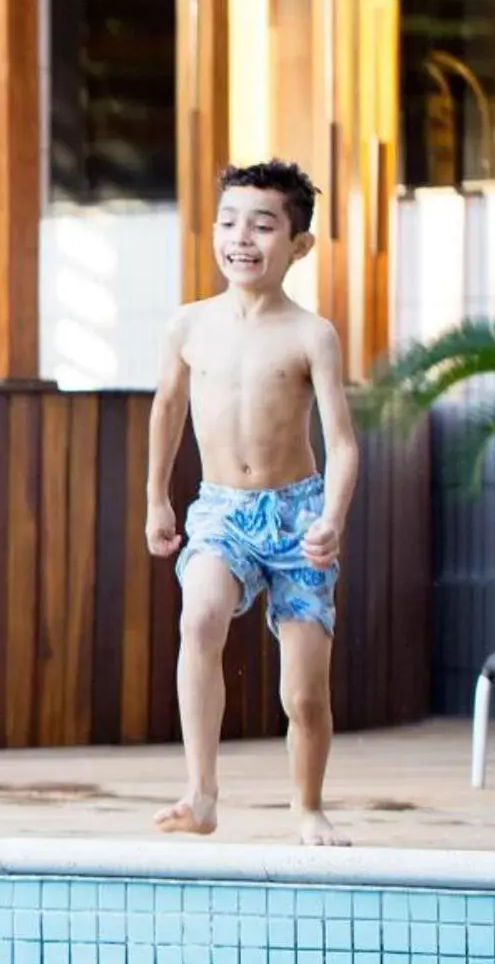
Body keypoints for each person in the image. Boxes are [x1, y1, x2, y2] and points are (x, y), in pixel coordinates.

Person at [146, 160, 358, 847]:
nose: (243, 237)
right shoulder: (189, 325)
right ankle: (201, 792)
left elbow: (345, 445)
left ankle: (307, 806)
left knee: (303, 692)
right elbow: (167, 410)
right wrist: (156, 499)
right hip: (220, 510)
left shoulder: (310, 334)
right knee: (200, 617)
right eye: (230, 222)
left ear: (298, 245)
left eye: (264, 225)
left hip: (298, 516)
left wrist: (331, 520)